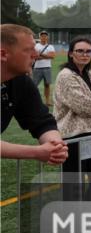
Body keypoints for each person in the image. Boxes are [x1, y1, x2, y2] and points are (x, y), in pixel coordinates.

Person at [1, 24, 68, 164]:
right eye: (28, 50)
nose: (36, 54)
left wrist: (55, 145)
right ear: (3, 54)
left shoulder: (21, 81)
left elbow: (41, 121)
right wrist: (36, 152)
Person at [53, 36, 91, 200]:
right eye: (80, 51)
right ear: (71, 53)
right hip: (72, 138)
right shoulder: (66, 76)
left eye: (88, 51)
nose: (85, 54)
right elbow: (83, 105)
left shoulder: (90, 75)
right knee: (74, 187)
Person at [32, 31, 56, 107]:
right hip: (37, 68)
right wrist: (46, 55)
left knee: (47, 85)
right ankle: (34, 100)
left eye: (45, 36)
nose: (44, 37)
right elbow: (35, 57)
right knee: (34, 85)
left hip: (47, 68)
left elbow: (52, 56)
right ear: (40, 37)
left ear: (47, 37)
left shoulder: (50, 46)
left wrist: (40, 54)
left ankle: (47, 101)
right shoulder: (36, 46)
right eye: (42, 36)